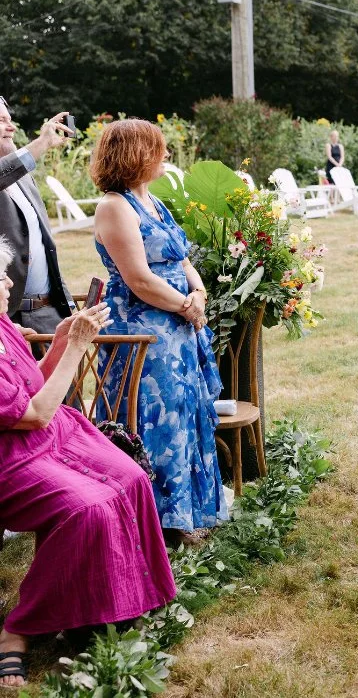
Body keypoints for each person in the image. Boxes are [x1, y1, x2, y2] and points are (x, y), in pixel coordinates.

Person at [0, 235, 175, 688]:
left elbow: (33, 386)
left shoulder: (2, 327)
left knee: (133, 478)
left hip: (54, 434)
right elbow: (34, 412)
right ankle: (18, 628)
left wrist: (60, 342)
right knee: (88, 508)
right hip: (13, 459)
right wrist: (78, 348)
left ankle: (124, 602)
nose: (7, 284)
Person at [90, 119, 226, 539]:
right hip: (143, 330)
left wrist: (199, 291)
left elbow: (180, 257)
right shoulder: (114, 206)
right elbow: (139, 279)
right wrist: (187, 306)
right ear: (136, 155)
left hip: (178, 323)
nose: (166, 156)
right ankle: (159, 521)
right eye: (159, 149)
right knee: (157, 417)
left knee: (186, 412)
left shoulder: (151, 201)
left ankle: (189, 513)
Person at [0, 100, 76, 333]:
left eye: (10, 120)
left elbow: (45, 246)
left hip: (47, 313)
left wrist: (67, 304)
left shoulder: (24, 176)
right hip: (8, 318)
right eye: (1, 121)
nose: (11, 127)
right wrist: (42, 143)